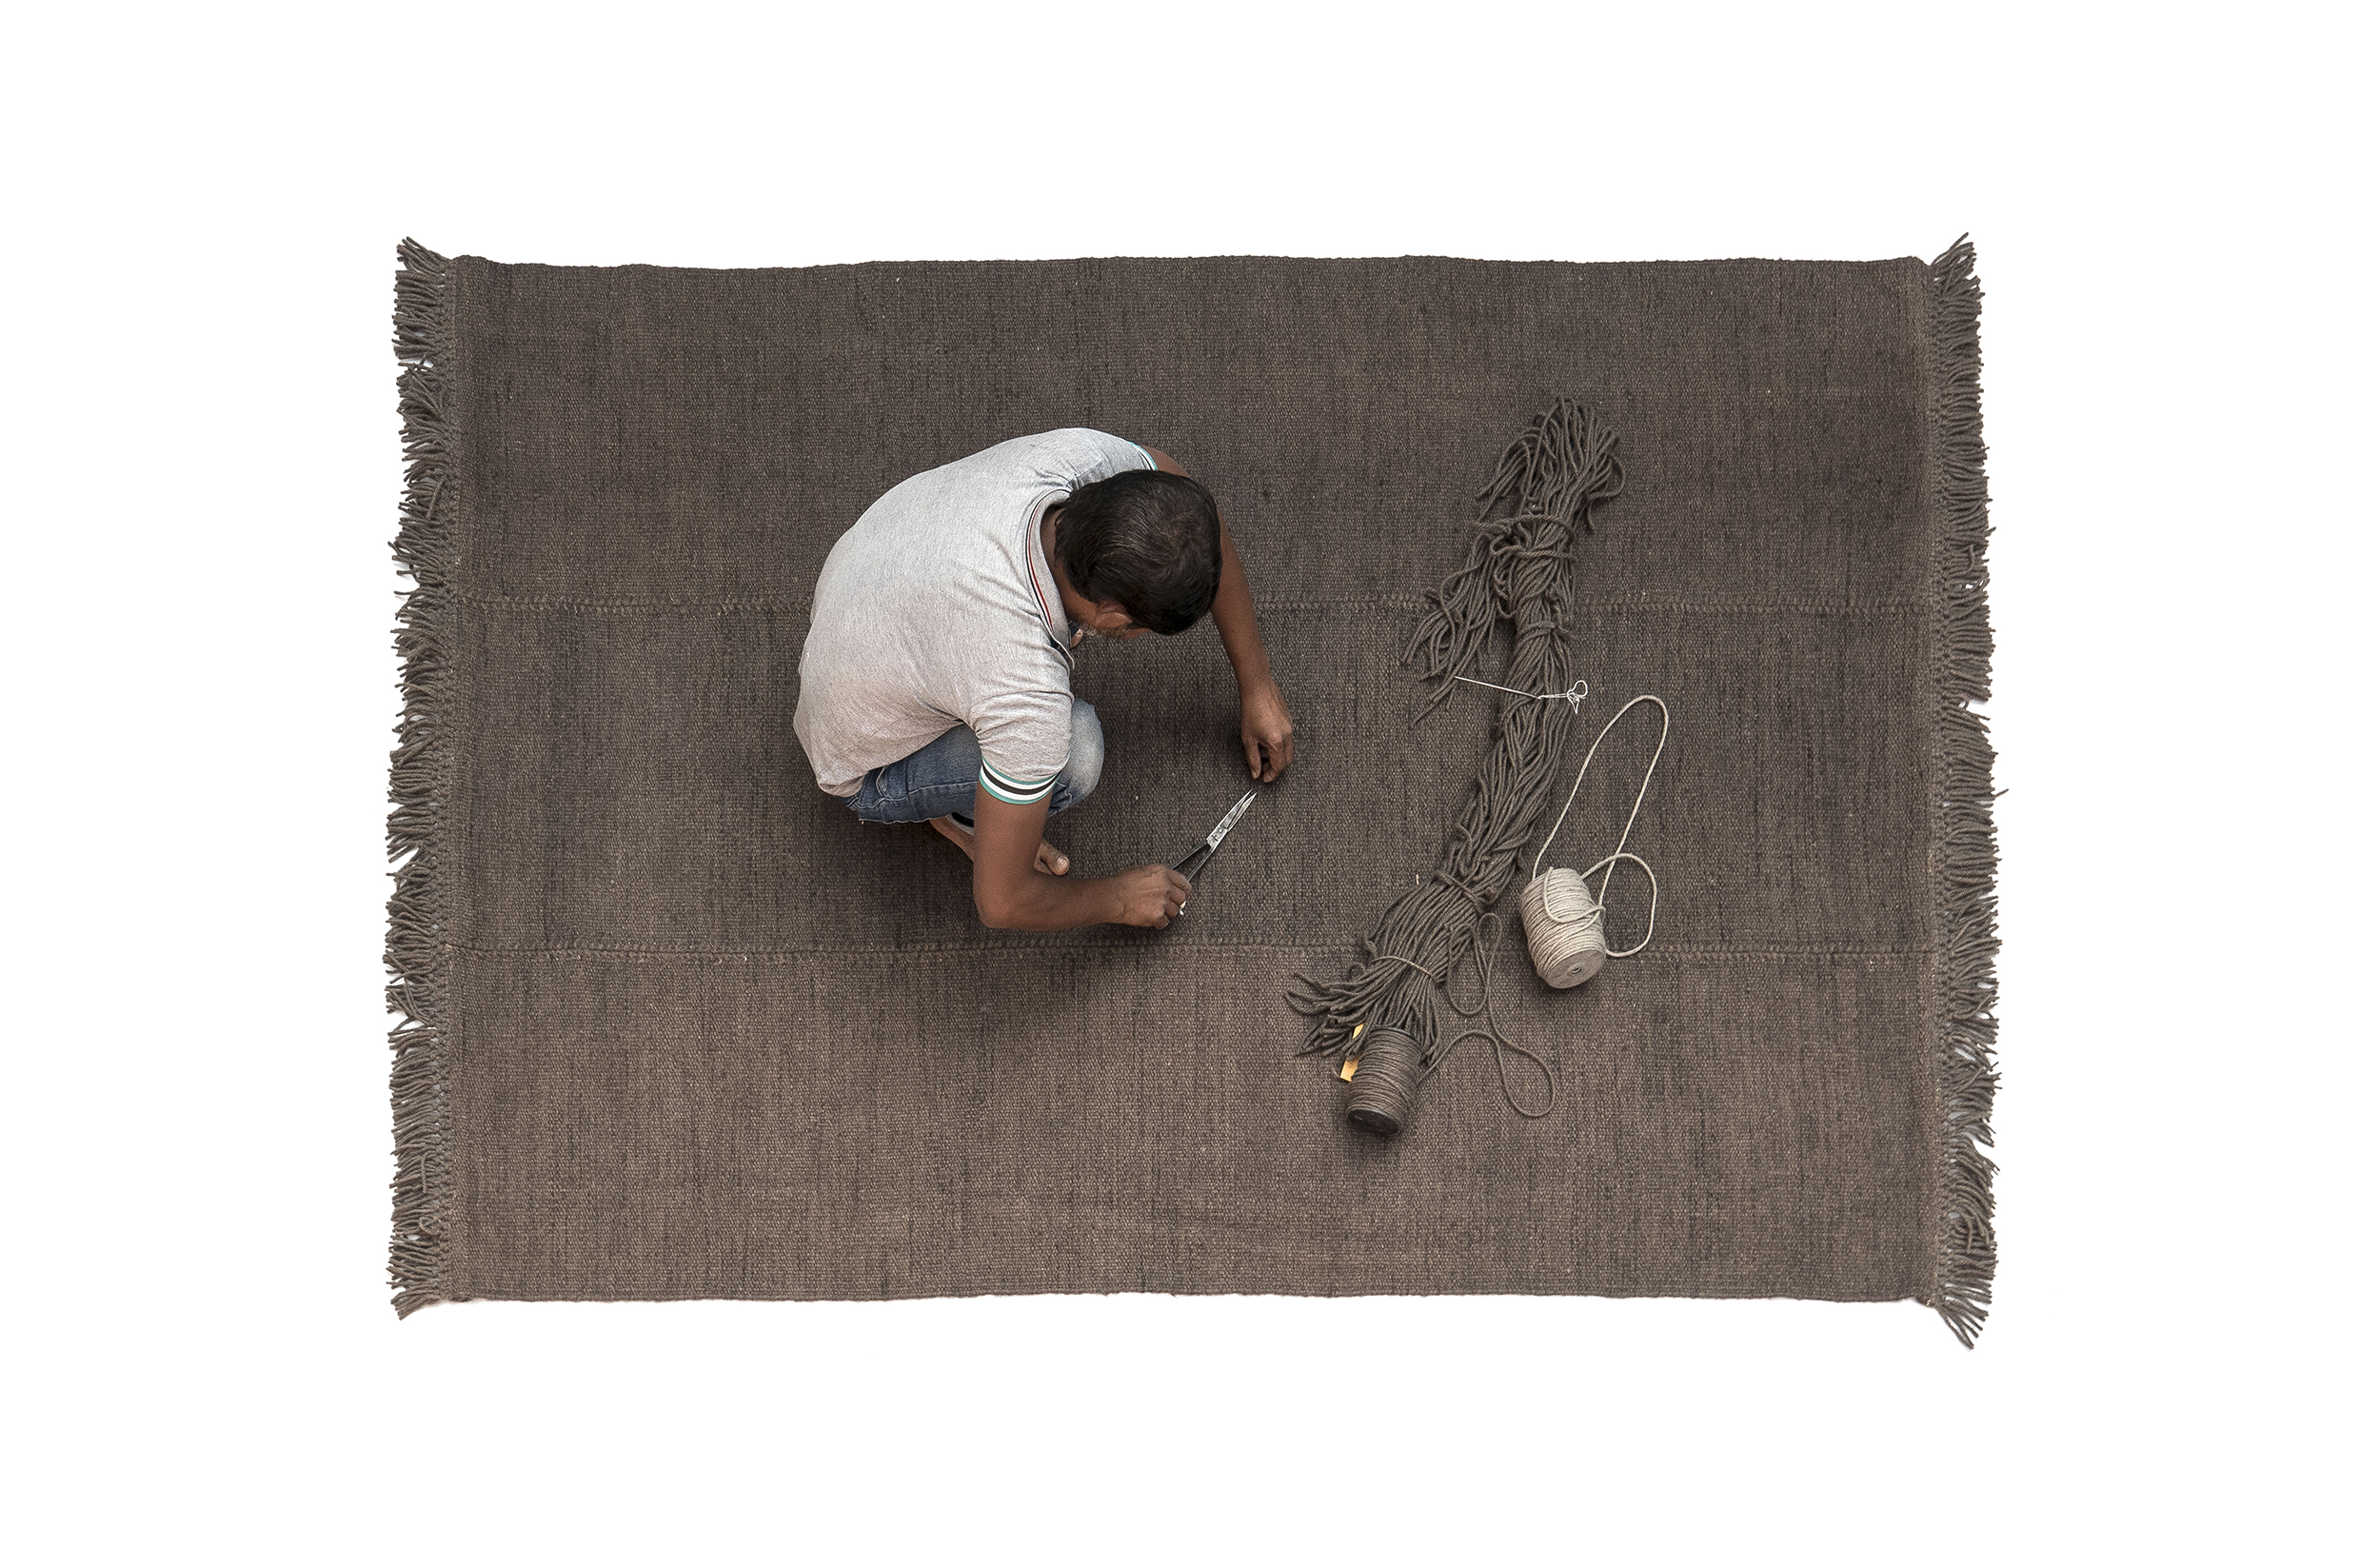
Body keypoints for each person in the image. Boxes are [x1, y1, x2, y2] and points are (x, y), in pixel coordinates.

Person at [792, 428, 1295, 931]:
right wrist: (1120, 899)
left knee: (1011, 711)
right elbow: (1002, 903)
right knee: (1077, 752)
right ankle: (957, 818)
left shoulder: (1075, 461)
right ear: (1113, 616)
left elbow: (1191, 513)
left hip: (858, 584)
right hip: (863, 762)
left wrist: (1257, 684)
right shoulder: (1027, 689)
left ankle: (986, 769)